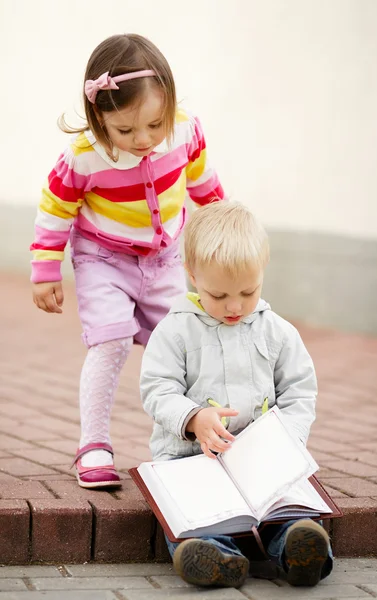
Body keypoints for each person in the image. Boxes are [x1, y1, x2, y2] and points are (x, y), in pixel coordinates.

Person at [30, 34, 224, 488]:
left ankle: (194, 440)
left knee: (184, 342)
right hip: (103, 259)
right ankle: (93, 443)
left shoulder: (186, 129)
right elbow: (55, 210)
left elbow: (204, 186)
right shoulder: (82, 158)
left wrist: (222, 236)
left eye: (154, 125)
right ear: (99, 117)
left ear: (170, 105)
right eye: (126, 130)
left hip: (166, 259)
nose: (144, 140)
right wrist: (44, 272)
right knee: (112, 342)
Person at [140, 201, 333, 588]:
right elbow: (157, 388)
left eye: (248, 292)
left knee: (288, 507)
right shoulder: (176, 330)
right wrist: (193, 418)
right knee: (191, 513)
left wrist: (286, 441)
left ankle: (297, 548)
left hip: (263, 464)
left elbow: (299, 389)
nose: (234, 306)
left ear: (263, 272)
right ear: (192, 275)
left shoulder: (277, 331)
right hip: (192, 461)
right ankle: (212, 554)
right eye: (218, 294)